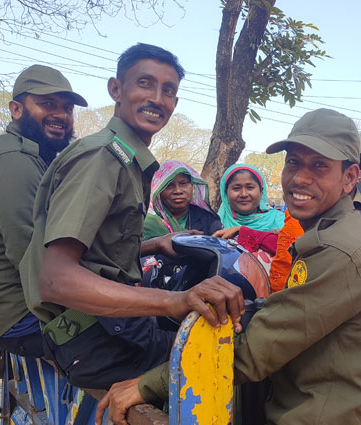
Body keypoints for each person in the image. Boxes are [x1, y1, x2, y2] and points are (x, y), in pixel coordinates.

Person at [97, 108, 361, 425]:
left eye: (319, 166)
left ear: (349, 178)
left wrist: (144, 386)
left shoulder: (340, 250)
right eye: (293, 162)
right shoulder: (327, 234)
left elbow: (252, 354)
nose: (300, 177)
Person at [19, 43, 244, 390]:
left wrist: (155, 244)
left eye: (168, 90)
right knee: (232, 369)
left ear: (175, 103)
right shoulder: (102, 158)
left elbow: (98, 253)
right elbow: (57, 279)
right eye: (144, 83)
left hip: (109, 327)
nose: (157, 98)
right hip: (96, 340)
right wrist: (174, 301)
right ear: (116, 89)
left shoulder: (126, 160)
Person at [0, 65, 86, 358]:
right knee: (140, 340)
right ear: (16, 109)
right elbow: (32, 257)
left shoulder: (35, 156)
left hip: (27, 308)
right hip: (25, 319)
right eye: (47, 104)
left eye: (67, 108)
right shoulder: (13, 160)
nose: (62, 115)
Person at [214, 164, 286, 271]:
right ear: (225, 193)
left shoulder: (282, 221)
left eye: (250, 187)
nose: (244, 194)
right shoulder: (215, 224)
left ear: (261, 191)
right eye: (236, 188)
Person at [143, 159, 222, 239]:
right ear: (158, 190)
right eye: (169, 185)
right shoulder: (147, 221)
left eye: (183, 183)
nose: (178, 191)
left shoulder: (208, 219)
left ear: (192, 186)